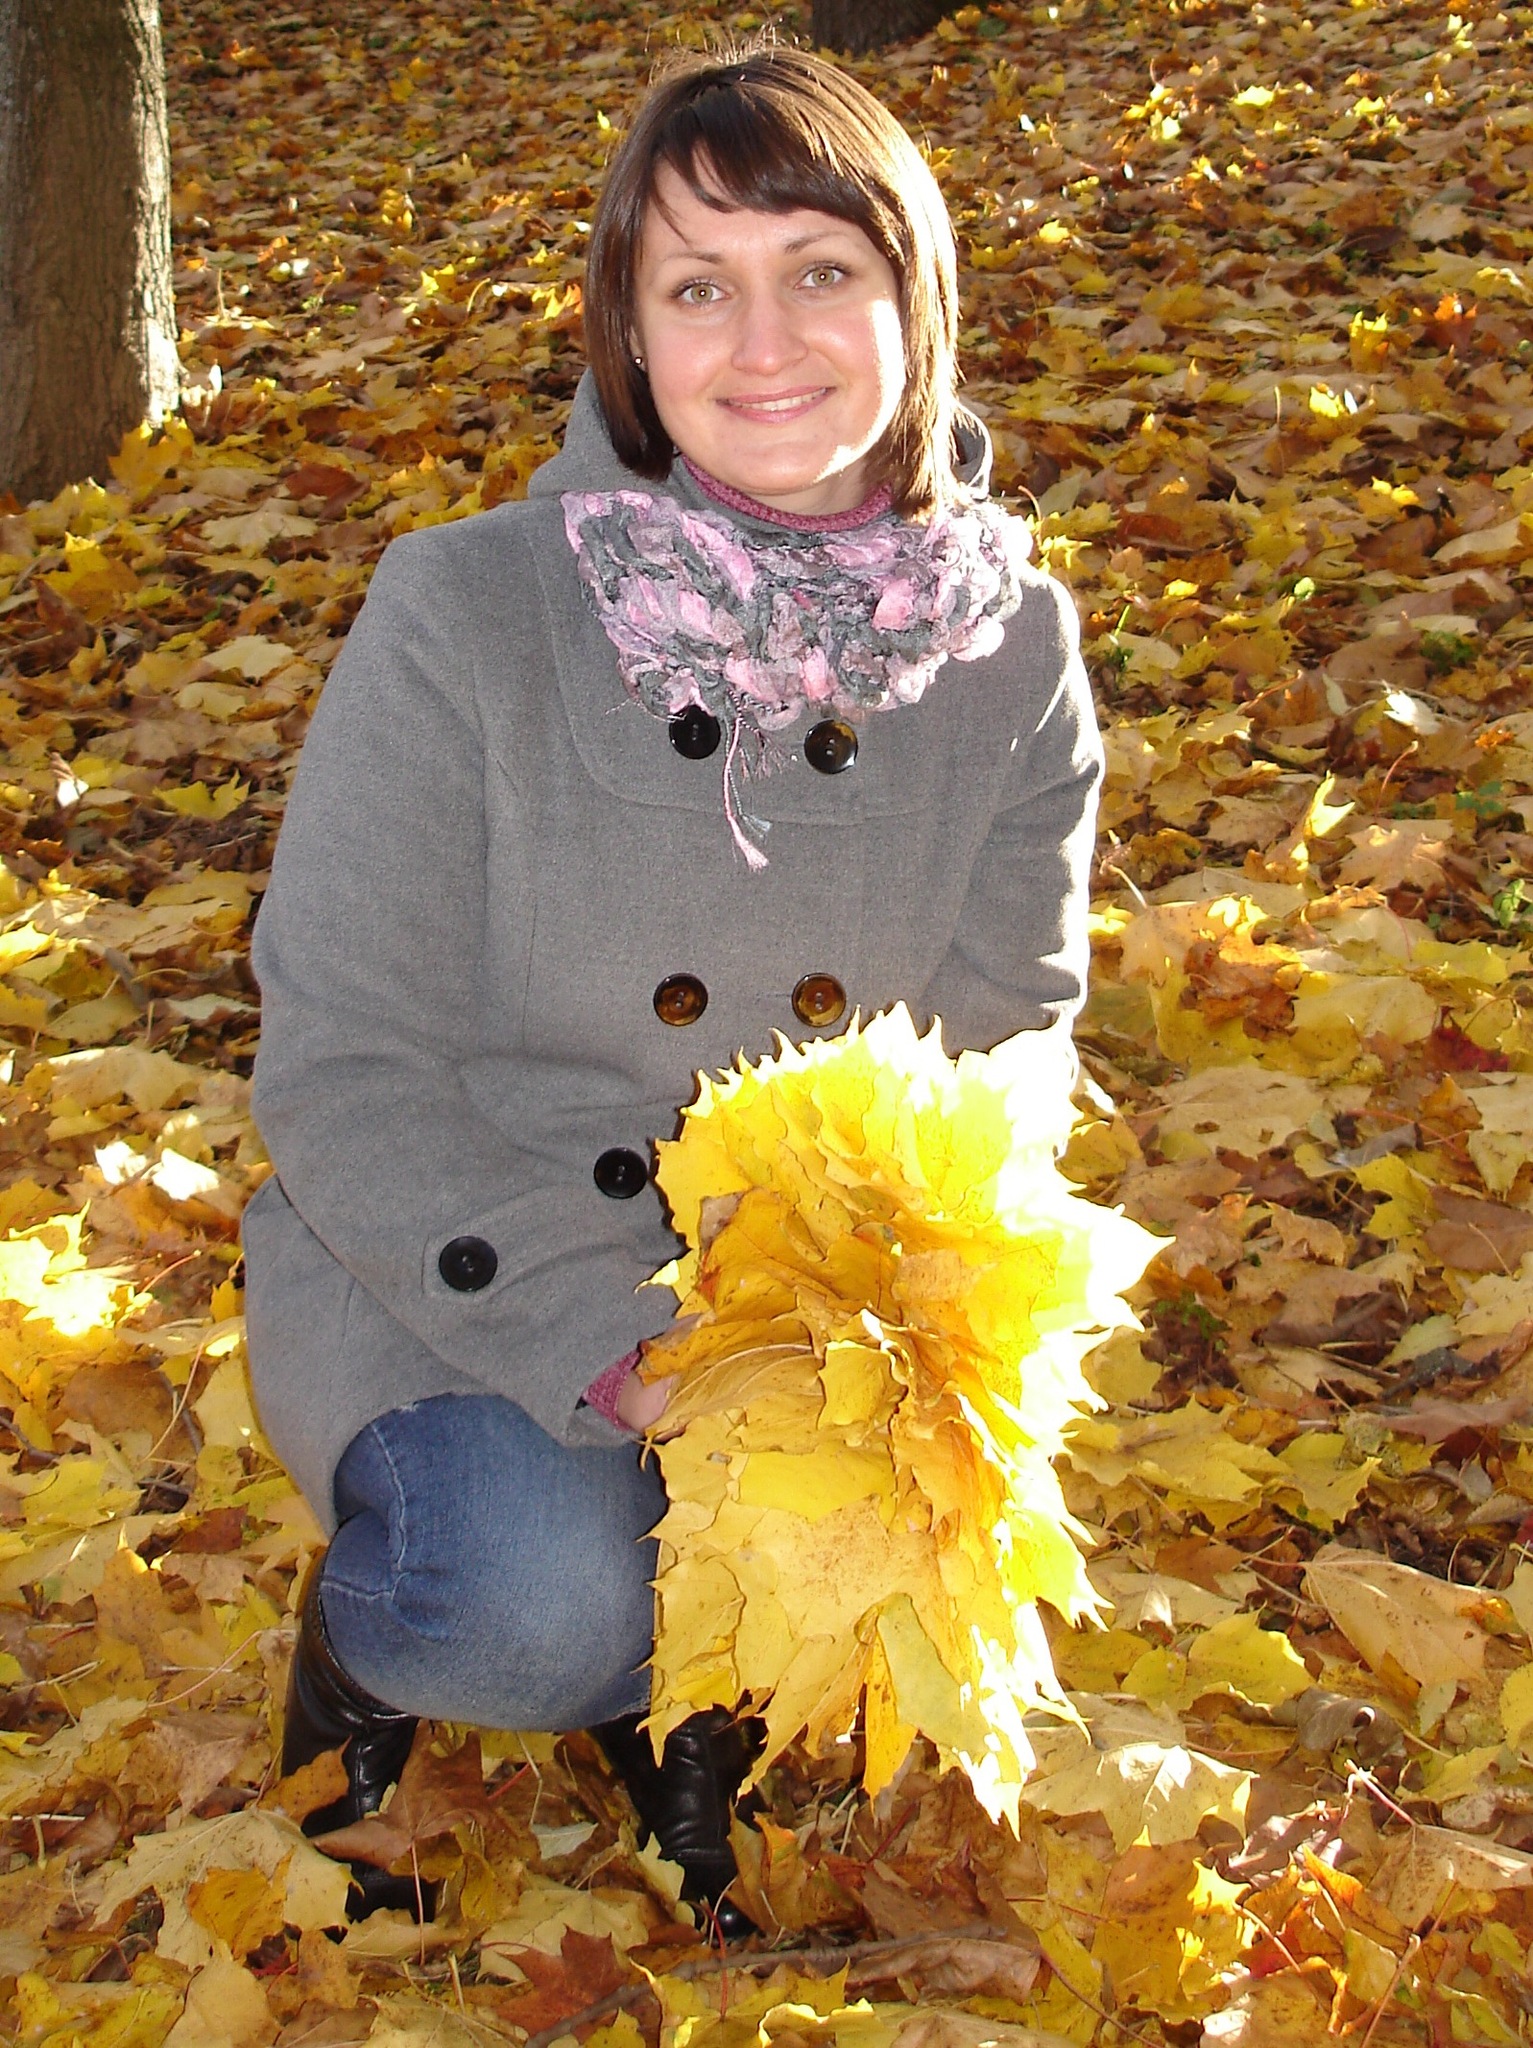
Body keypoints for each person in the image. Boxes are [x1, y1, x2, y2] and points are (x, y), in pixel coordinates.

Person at [242, 42, 1102, 1932]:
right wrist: (616, 1347)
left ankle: (688, 1686)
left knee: (873, 1628)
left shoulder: (1010, 644)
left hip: (806, 1289)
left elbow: (1005, 1036)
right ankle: (372, 1661)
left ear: (914, 301)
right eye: (696, 287)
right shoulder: (468, 609)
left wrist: (882, 1338)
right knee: (526, 1610)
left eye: (821, 271)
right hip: (457, 1248)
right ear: (628, 337)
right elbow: (345, 1062)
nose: (763, 342)